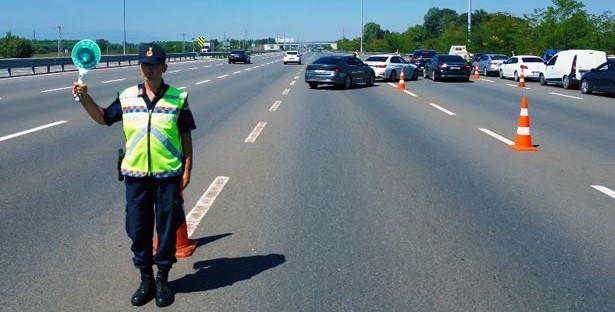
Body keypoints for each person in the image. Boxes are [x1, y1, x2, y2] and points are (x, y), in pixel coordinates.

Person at [72, 43, 196, 307]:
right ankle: (146, 278)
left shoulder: (177, 98)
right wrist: (85, 99)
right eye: (144, 64)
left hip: (167, 177)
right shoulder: (127, 97)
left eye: (153, 65)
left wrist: (187, 168)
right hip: (136, 178)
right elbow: (104, 118)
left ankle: (162, 277)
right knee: (138, 229)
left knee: (166, 228)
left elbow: (185, 134)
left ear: (164, 67)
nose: (148, 69)